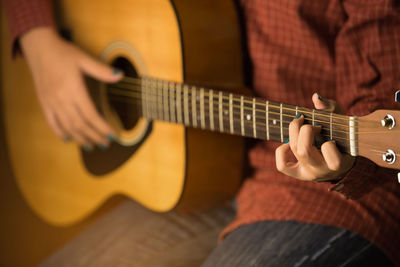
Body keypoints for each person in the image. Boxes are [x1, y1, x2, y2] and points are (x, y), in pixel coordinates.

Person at [2, 0, 400, 266]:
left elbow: (382, 103)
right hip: (187, 177)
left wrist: (343, 162)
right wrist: (37, 38)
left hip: (316, 194)